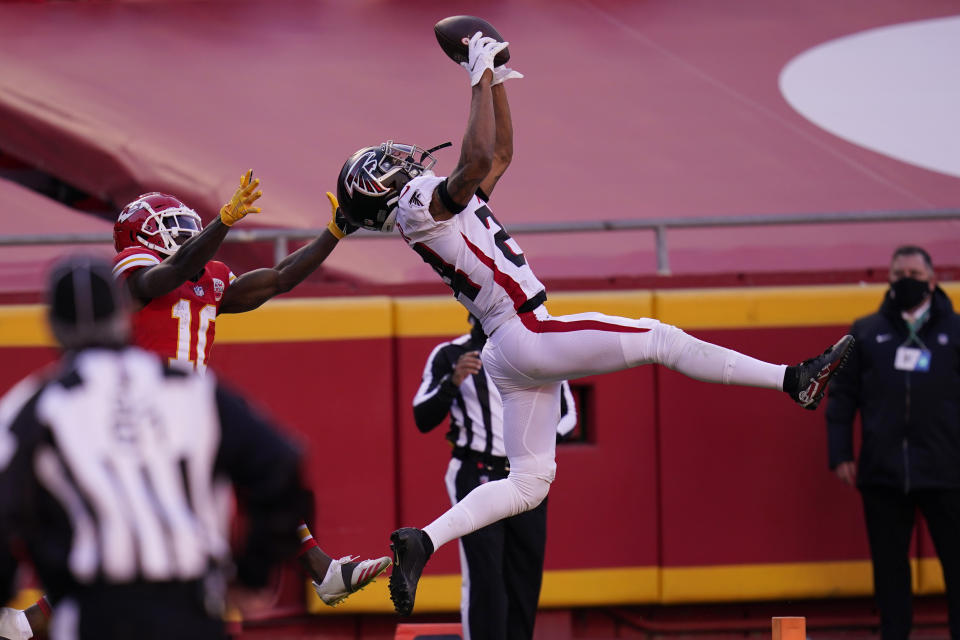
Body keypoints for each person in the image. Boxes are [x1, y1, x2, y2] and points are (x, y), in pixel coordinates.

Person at [333, 32, 855, 616]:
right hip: (525, 330)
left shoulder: (424, 209)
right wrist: (475, 70)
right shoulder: (416, 204)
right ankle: (793, 380)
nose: (401, 158)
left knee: (529, 485)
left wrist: (498, 79)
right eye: (388, 163)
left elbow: (497, 157)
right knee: (660, 339)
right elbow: (477, 158)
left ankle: (423, 540)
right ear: (378, 183)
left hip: (510, 347)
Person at [108, 171, 391, 611]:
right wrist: (221, 222)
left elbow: (277, 279)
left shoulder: (211, 277)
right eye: (170, 227)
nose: (182, 234)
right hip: (146, 412)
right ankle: (33, 620)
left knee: (265, 473)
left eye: (186, 225)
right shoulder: (135, 275)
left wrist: (333, 233)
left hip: (194, 408)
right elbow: (171, 272)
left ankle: (322, 571)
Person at [0, 256, 313, 639]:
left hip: (95, 612)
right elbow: (281, 460)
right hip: (193, 607)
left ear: (53, 328)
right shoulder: (191, 388)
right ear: (121, 315)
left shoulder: (38, 403)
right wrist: (253, 573)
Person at [825, 245, 960, 640]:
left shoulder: (956, 332)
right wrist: (840, 453)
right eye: (899, 274)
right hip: (883, 471)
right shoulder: (865, 332)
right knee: (889, 570)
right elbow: (843, 394)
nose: (906, 281)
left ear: (933, 281)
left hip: (947, 470)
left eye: (915, 275)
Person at [413, 315, 576, 639]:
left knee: (525, 575)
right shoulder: (451, 355)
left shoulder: (540, 353)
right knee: (485, 575)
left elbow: (568, 415)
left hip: (528, 473)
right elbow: (422, 416)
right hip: (477, 472)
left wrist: (537, 440)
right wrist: (452, 382)